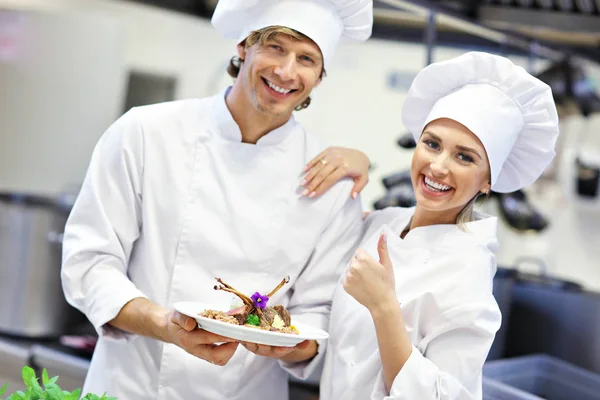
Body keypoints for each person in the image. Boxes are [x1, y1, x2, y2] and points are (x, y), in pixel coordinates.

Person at [60, 1, 373, 399]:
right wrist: (163, 323)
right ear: (244, 46)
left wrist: (290, 342)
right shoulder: (145, 133)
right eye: (275, 47)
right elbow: (89, 264)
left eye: (306, 58)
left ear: (319, 76)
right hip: (134, 385)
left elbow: (321, 312)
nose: (286, 71)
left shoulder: (330, 181)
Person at [316, 51, 560, 399]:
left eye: (465, 157)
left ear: (488, 180)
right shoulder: (382, 225)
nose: (438, 166)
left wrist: (385, 307)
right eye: (432, 144)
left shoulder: (468, 275)